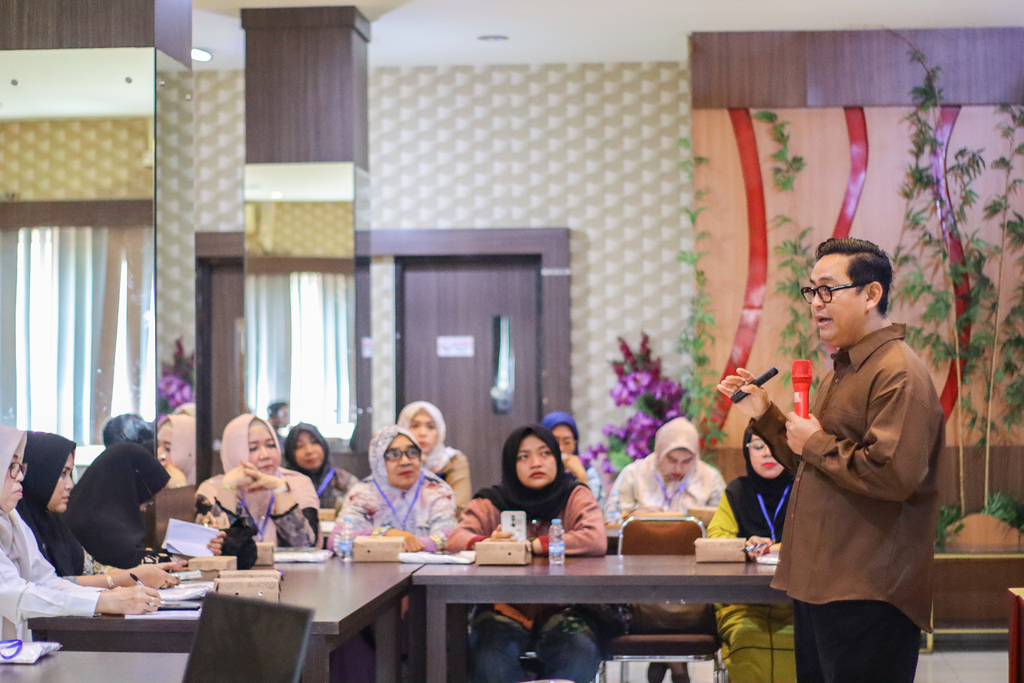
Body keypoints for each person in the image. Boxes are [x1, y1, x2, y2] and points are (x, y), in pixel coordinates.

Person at [717, 237, 944, 683]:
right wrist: (765, 414)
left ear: (871, 294)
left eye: (828, 290)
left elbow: (891, 475)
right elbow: (815, 463)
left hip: (868, 590)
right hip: (824, 583)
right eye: (812, 291)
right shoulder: (846, 369)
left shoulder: (897, 372)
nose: (816, 303)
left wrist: (817, 442)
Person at [447, 424, 606, 683]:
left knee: (580, 653)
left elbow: (595, 538)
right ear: (511, 464)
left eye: (545, 453)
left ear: (557, 458)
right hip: (502, 608)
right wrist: (488, 543)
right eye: (523, 456)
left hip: (566, 606)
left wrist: (532, 545)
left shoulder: (574, 495)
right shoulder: (492, 500)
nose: (536, 463)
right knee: (490, 659)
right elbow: (455, 540)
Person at [0, 426, 162, 638]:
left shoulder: (12, 519)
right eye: (11, 467)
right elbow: (16, 595)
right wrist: (104, 600)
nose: (20, 476)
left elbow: (46, 581)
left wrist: (110, 595)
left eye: (21, 467)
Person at [17, 431, 180, 589]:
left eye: (69, 474)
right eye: (62, 474)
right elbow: (48, 586)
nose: (70, 485)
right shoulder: (18, 527)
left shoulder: (54, 524)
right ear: (41, 474)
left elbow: (93, 569)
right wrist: (131, 578)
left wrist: (142, 573)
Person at [707, 428, 796, 682]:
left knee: (801, 639)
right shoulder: (736, 491)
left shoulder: (805, 488)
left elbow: (819, 539)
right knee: (747, 637)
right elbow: (717, 540)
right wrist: (746, 546)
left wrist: (773, 548)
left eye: (775, 446)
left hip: (796, 601)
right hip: (743, 602)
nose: (767, 453)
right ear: (747, 453)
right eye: (758, 446)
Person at [197, 414, 320, 550]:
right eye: (253, 448)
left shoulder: (298, 482)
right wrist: (228, 488)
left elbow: (305, 545)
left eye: (271, 445)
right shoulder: (212, 488)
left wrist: (280, 488)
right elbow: (214, 548)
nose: (265, 455)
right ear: (233, 453)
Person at [331, 426, 457, 553]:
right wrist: (386, 534)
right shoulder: (363, 493)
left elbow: (449, 540)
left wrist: (404, 544)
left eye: (412, 452)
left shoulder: (436, 490)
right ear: (378, 461)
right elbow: (337, 540)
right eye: (393, 455)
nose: (405, 461)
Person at [64, 442, 173, 569]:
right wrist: (170, 561)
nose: (144, 507)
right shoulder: (98, 521)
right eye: (144, 497)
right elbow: (128, 562)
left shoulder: (91, 506)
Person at [606, 417, 726, 523]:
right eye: (672, 460)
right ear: (659, 453)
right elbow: (613, 520)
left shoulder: (710, 478)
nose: (678, 468)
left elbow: (723, 522)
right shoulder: (633, 474)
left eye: (687, 461)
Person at [397, 401, 473, 510]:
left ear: (439, 432)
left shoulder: (452, 460)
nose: (422, 433)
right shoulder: (392, 461)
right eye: (415, 426)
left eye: (430, 427)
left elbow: (459, 506)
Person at [282, 423, 357, 510]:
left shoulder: (342, 480)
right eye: (300, 446)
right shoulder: (283, 484)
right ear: (290, 454)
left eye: (314, 442)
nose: (309, 451)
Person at [540, 411, 590, 486]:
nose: (561, 449)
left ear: (575, 444)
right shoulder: (535, 472)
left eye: (567, 443)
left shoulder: (589, 473)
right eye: (555, 442)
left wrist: (582, 477)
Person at [155, 414, 196, 487]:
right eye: (158, 446)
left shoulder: (210, 490)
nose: (159, 455)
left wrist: (180, 486)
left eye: (167, 448)